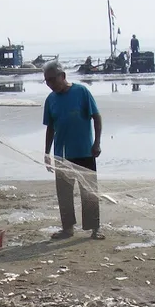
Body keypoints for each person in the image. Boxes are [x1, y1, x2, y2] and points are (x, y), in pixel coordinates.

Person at [42, 60, 104, 240]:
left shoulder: (81, 92)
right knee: (64, 194)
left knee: (89, 191)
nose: (50, 84)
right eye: (46, 81)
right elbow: (50, 128)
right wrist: (47, 153)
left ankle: (94, 228)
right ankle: (67, 228)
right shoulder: (51, 100)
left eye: (52, 80)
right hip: (62, 154)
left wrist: (97, 143)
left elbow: (96, 117)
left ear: (62, 76)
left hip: (84, 151)